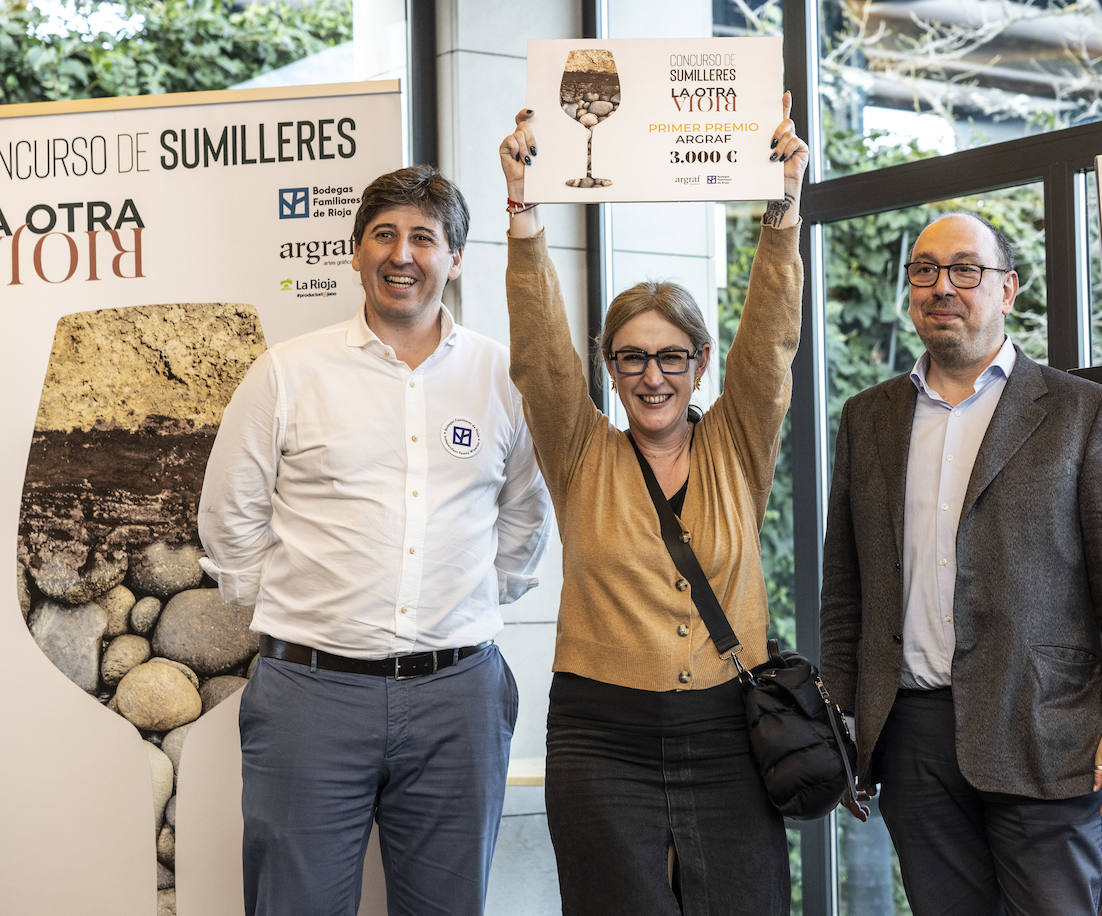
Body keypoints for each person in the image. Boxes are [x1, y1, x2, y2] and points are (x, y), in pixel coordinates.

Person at [198, 165, 553, 916]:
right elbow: (230, 523)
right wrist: (315, 616)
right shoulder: (287, 374)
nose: (402, 255)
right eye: (384, 235)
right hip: (310, 697)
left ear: (455, 257)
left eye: (424, 238)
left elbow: (526, 519)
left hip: (459, 698)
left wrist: (463, 608)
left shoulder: (503, 379)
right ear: (355, 252)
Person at [497, 95, 807, 915]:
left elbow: (770, 347)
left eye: (672, 356)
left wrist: (782, 211)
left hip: (728, 733)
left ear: (701, 363)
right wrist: (523, 212)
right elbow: (537, 356)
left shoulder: (737, 445)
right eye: (630, 357)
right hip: (602, 737)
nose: (652, 375)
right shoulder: (580, 449)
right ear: (607, 365)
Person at [819, 212, 1102, 914]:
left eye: (964, 270)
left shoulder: (1083, 413)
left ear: (1007, 290)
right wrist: (846, 723)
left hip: (1044, 728)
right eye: (924, 270)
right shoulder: (868, 418)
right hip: (912, 735)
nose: (941, 286)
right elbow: (845, 593)